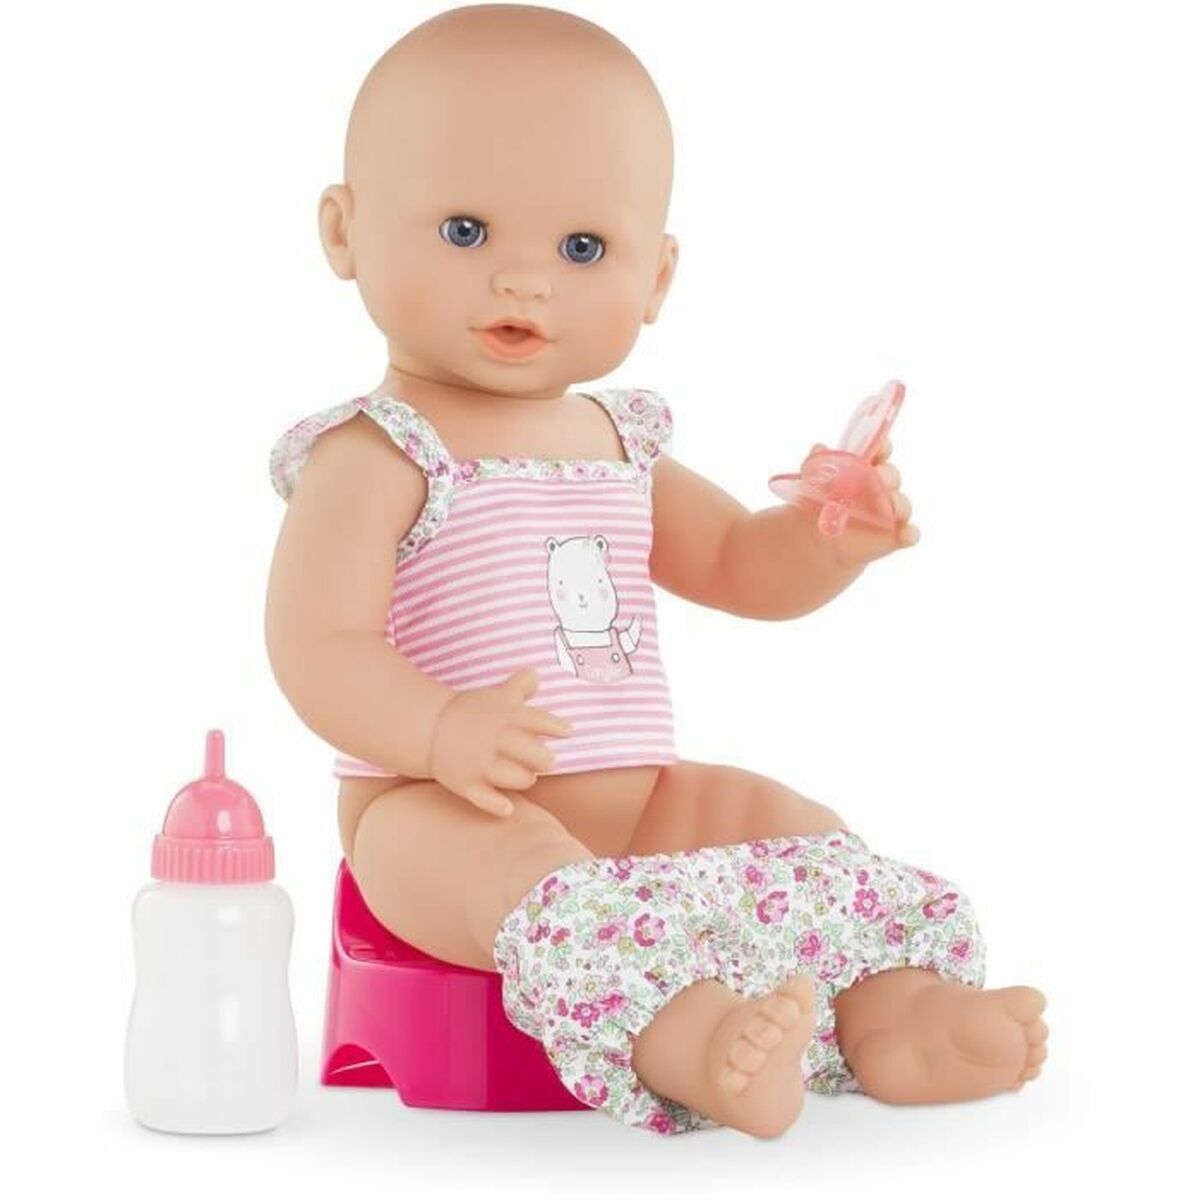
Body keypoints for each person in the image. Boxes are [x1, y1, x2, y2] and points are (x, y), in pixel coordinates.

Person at [266, 4, 1046, 1137]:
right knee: (524, 875)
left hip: (639, 808)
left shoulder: (617, 442)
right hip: (433, 814)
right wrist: (437, 732)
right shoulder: (378, 452)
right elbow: (316, 645)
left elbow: (735, 561)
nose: (524, 281)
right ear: (345, 232)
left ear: (658, 276)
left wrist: (825, 542)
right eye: (466, 231)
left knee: (793, 828)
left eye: (582, 249)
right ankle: (690, 1045)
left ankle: (896, 1011)